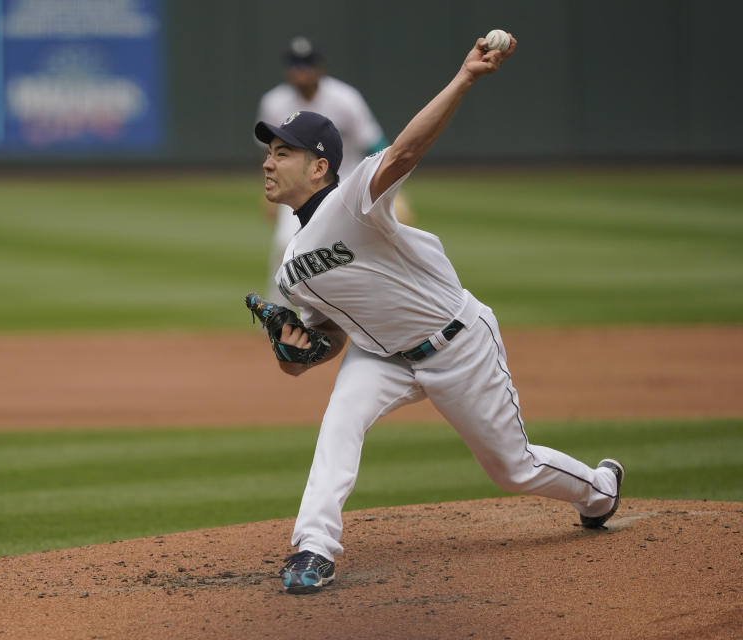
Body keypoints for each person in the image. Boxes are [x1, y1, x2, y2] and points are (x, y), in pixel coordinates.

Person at [252, 33, 625, 595]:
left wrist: (466, 76)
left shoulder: (355, 200)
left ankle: (599, 489)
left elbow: (402, 152)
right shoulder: (291, 269)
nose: (268, 162)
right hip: (382, 357)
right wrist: (296, 354)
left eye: (283, 152)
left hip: (457, 343)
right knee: (339, 422)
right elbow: (327, 338)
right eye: (269, 151)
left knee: (511, 468)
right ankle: (313, 549)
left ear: (320, 166)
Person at [256, 36, 413, 307]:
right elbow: (268, 152)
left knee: (369, 247)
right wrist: (268, 187)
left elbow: (375, 144)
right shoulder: (274, 102)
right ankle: (278, 312)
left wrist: (393, 192)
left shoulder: (345, 98)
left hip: (347, 183)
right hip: (298, 186)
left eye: (306, 65)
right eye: (295, 65)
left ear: (320, 68)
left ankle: (385, 306)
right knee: (285, 244)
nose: (300, 71)